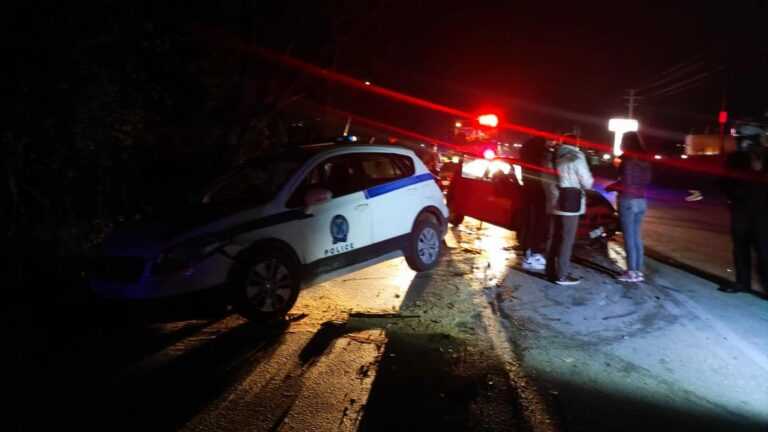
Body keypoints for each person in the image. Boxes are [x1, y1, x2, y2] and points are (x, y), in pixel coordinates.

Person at [720, 124, 768, 294]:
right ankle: (742, 283)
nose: (740, 142)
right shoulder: (736, 158)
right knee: (742, 249)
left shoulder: (763, 156)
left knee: (763, 250)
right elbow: (724, 182)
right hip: (743, 211)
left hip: (759, 213)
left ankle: (757, 285)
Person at [545, 133, 594, 285]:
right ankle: (562, 275)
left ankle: (550, 270)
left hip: (554, 201)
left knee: (553, 237)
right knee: (567, 239)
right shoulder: (576, 157)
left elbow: (546, 180)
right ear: (576, 143)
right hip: (570, 204)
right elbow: (587, 182)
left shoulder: (552, 156)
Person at [607, 132, 652, 282]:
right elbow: (646, 181)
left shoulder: (627, 160)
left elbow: (625, 182)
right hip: (641, 200)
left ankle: (631, 272)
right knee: (637, 237)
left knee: (628, 238)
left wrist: (612, 186)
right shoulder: (645, 160)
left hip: (628, 201)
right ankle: (638, 271)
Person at [518, 137, 551, 271]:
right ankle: (533, 255)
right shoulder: (539, 158)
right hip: (538, 193)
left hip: (527, 191)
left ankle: (528, 253)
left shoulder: (526, 154)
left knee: (528, 223)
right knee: (538, 224)